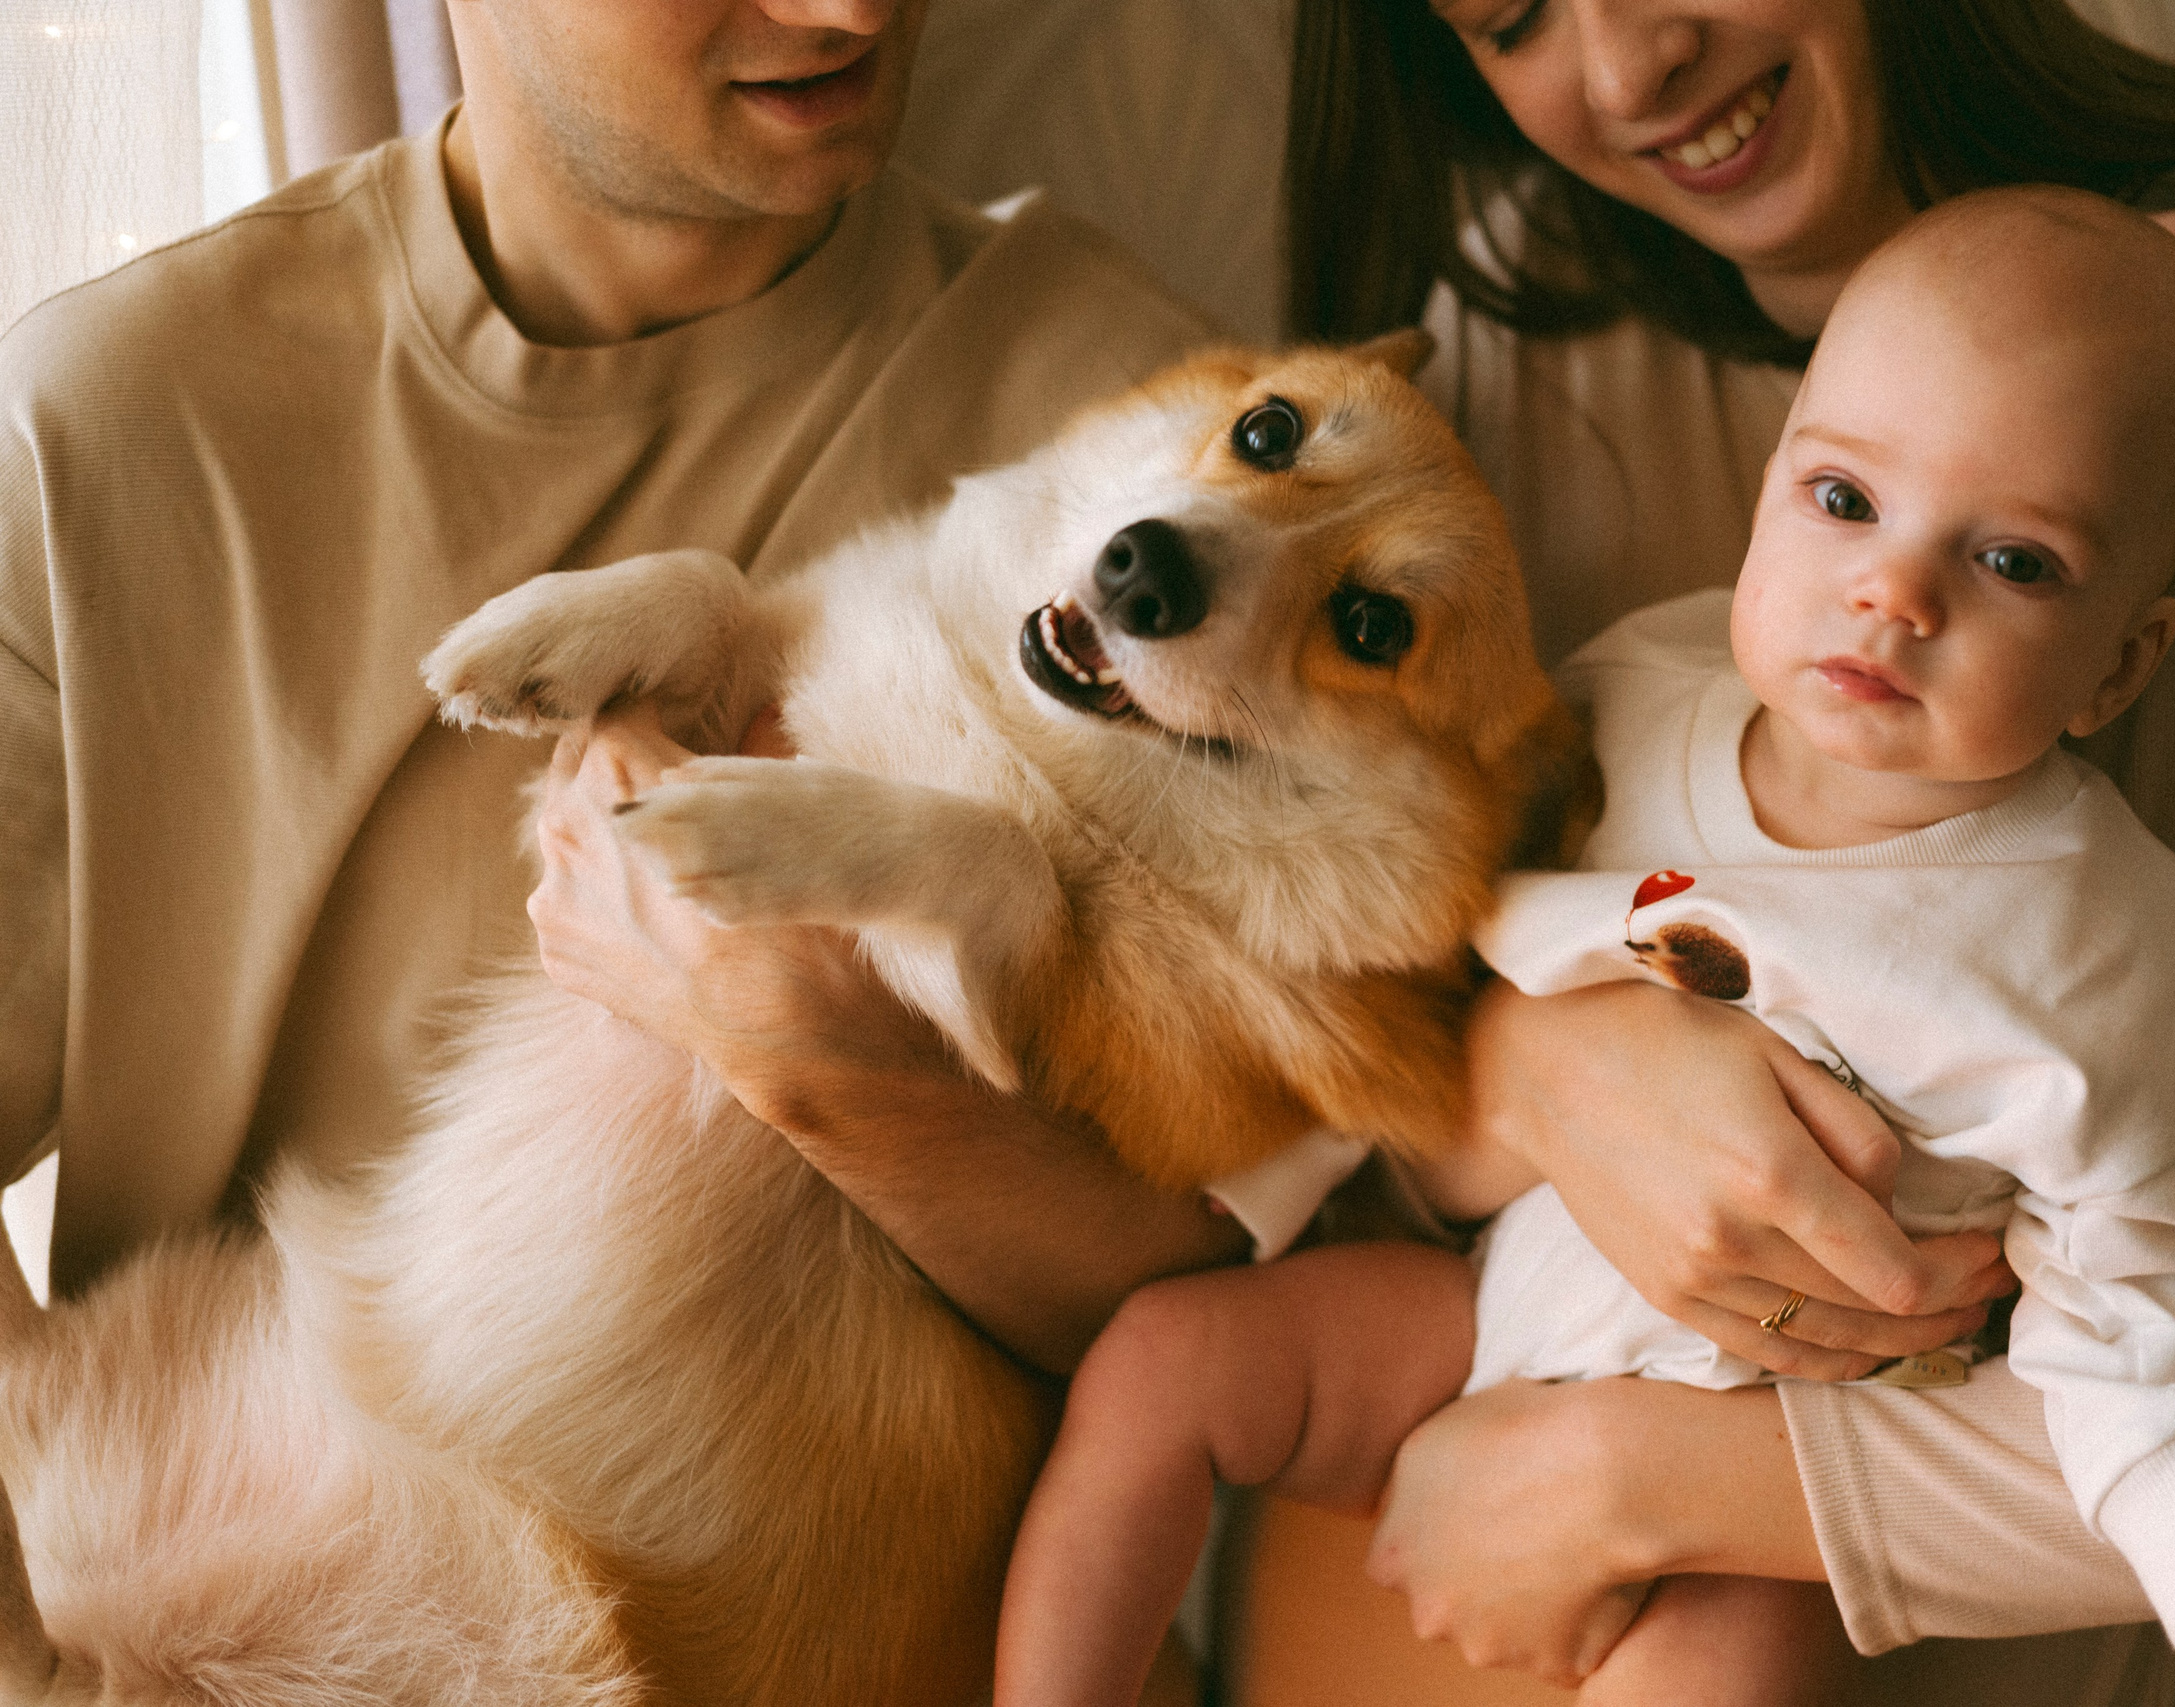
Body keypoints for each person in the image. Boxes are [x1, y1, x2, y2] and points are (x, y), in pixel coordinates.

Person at [1233, 1, 2175, 1702]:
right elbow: (1361, 1070)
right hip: (1399, 1542)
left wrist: (1628, 1485)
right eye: (1508, 19)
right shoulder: (1524, 306)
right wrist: (1539, 1076)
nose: (1632, 71)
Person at [998, 187, 2175, 1707]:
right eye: (1846, 502)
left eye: (2014, 566)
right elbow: (1425, 973)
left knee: (1731, 1679)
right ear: (1772, 489)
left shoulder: (2108, 963)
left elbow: (2153, 1311)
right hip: (1482, 1311)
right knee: (1163, 1362)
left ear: (2120, 663)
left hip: (1766, 1470)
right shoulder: (1630, 698)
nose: (1895, 592)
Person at [0, 0, 1251, 1391]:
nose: (852, 9)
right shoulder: (111, 431)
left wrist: (848, 1076)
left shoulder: (1160, 463)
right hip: (238, 1575)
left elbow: (1272, 1362)